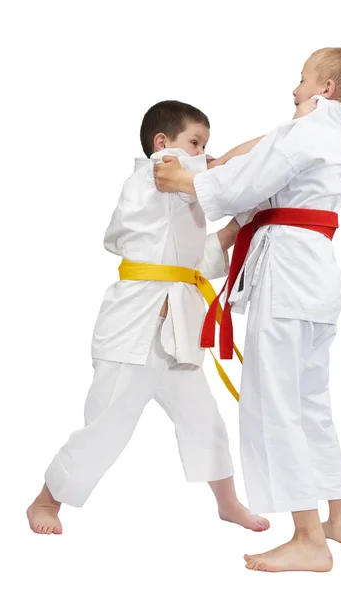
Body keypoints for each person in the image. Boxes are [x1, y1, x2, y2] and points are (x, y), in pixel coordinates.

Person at [154, 48, 341, 572]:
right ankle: (339, 517)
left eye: (303, 79)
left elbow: (242, 187)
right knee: (309, 401)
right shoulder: (319, 134)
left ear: (327, 91)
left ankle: (307, 539)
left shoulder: (307, 133)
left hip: (289, 281)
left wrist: (189, 180)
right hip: (314, 280)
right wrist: (215, 161)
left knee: (275, 403)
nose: (294, 87)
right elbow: (264, 149)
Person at [27, 100, 271, 535]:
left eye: (205, 146)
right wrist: (276, 143)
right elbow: (213, 174)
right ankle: (46, 500)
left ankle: (228, 502)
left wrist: (238, 225)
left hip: (178, 329)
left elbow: (196, 260)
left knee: (205, 421)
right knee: (107, 424)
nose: (203, 154)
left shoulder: (182, 194)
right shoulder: (156, 176)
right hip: (134, 332)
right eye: (195, 143)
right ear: (163, 144)